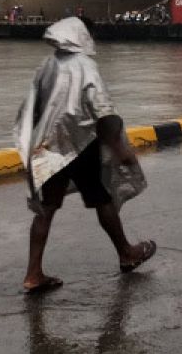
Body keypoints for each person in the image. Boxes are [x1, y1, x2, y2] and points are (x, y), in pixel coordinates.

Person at [15, 18, 156, 294]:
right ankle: (127, 252)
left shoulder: (46, 66)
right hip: (79, 145)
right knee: (101, 198)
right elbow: (101, 107)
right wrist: (119, 148)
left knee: (46, 209)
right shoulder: (86, 66)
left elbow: (29, 109)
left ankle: (33, 274)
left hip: (46, 146)